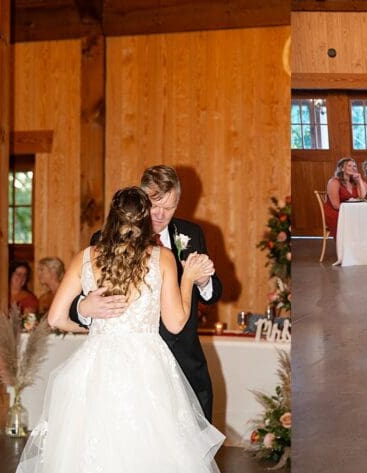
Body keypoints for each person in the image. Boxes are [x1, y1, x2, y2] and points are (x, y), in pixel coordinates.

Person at [19, 187, 224, 472]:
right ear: (145, 220)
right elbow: (176, 323)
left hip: (97, 363)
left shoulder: (86, 256)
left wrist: (90, 324)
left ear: (112, 218)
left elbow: (54, 319)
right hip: (147, 367)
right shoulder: (162, 258)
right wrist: (187, 278)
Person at [69, 165, 224, 421]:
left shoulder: (192, 234)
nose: (161, 214)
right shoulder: (103, 237)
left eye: (170, 207)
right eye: (155, 205)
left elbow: (214, 293)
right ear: (141, 198)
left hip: (184, 360)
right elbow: (82, 292)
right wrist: (82, 308)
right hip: (126, 367)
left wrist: (203, 280)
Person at [324, 157, 367, 237]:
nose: (353, 168)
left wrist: (359, 180)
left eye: (354, 166)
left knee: (366, 218)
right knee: (358, 221)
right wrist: (351, 210)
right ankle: (348, 247)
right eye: (349, 166)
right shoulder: (334, 182)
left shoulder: (354, 182)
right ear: (342, 168)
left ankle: (360, 246)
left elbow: (363, 197)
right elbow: (336, 205)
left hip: (351, 211)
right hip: (337, 213)